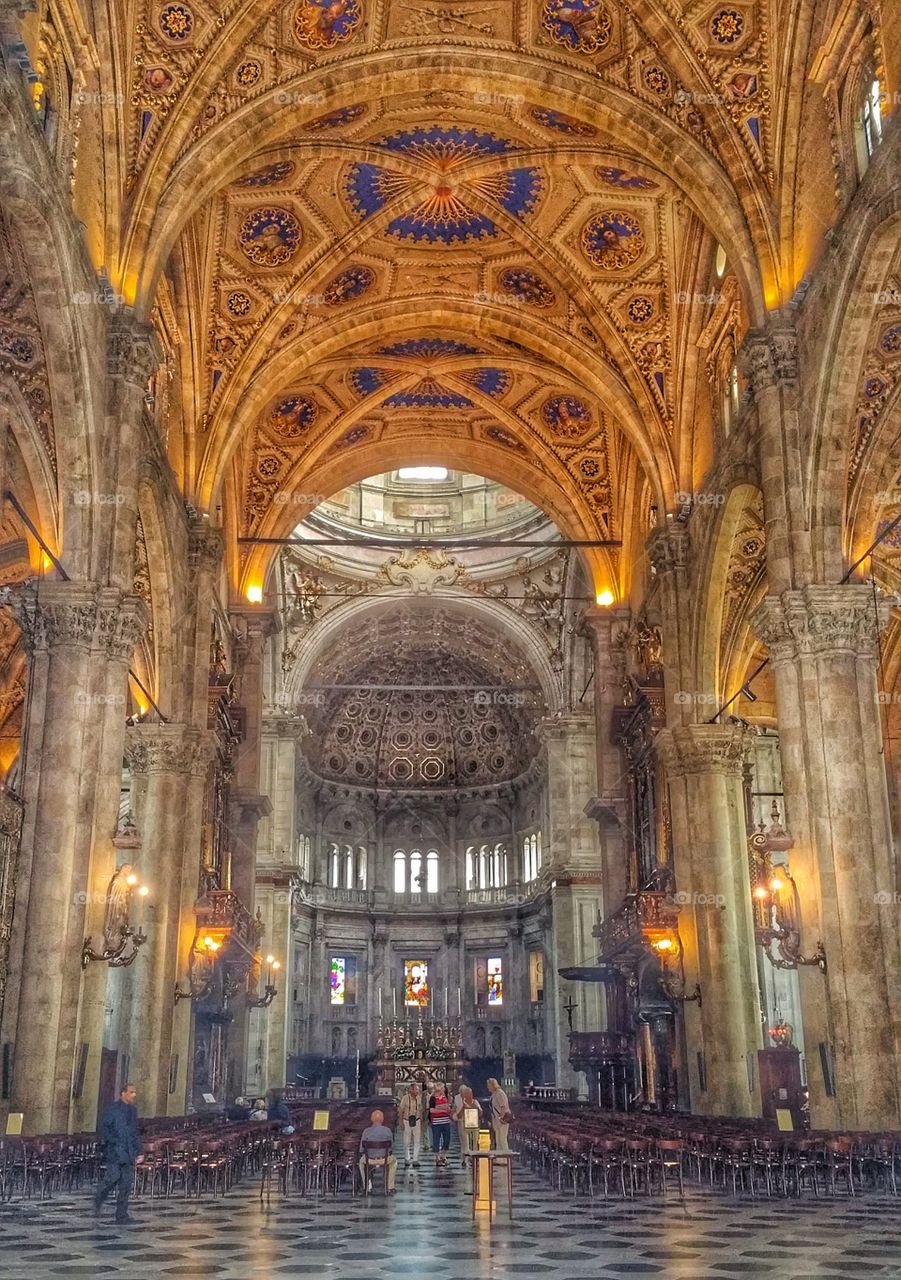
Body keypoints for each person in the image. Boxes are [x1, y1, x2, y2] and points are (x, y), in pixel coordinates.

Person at [93, 1083, 141, 1225]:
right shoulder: (112, 1110)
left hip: (128, 1152)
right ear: (123, 1093)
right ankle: (99, 1198)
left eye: (135, 1092)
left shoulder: (133, 1111)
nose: (134, 1095)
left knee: (126, 1184)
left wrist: (138, 1151)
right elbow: (104, 1128)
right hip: (114, 1151)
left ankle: (122, 1215)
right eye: (131, 1092)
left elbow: (135, 1133)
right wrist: (113, 1141)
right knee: (112, 1178)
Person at [358, 1108, 397, 1194]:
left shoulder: (366, 1131)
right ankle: (390, 1187)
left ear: (371, 1119)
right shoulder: (387, 1130)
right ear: (382, 1119)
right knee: (394, 1162)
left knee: (361, 1163)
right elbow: (391, 1148)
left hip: (369, 1160)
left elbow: (361, 1149)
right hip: (384, 1159)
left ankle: (367, 1186)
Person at [452, 1084, 482, 1166]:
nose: (469, 1095)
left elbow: (480, 1113)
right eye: (467, 1094)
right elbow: (456, 1115)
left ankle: (475, 1158)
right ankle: (465, 1159)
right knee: (465, 1142)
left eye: (470, 1094)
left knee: (475, 1142)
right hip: (463, 1123)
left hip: (474, 1124)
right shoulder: (458, 1101)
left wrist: (476, 1107)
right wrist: (463, 1108)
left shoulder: (475, 1102)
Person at [428, 1081, 452, 1167]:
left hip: (446, 1121)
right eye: (443, 1088)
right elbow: (432, 1110)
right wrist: (442, 1110)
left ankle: (444, 1155)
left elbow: (448, 1108)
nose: (444, 1089)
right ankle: (437, 1158)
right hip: (436, 1122)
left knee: (447, 1139)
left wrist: (448, 1110)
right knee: (436, 1140)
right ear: (439, 1089)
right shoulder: (433, 1098)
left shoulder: (445, 1097)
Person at [398, 1083, 423, 1168]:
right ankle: (407, 1158)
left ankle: (415, 1159)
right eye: (416, 1089)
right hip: (407, 1120)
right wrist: (401, 1122)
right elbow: (401, 1111)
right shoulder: (405, 1098)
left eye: (418, 1089)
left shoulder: (419, 1098)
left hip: (417, 1120)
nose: (417, 1091)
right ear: (411, 1090)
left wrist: (421, 1122)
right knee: (406, 1141)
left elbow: (420, 1110)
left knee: (417, 1141)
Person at [487, 1077, 512, 1153]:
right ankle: (500, 1158)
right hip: (496, 1120)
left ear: (492, 1085)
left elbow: (503, 1106)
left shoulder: (500, 1093)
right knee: (498, 1139)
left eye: (488, 1085)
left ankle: (506, 1158)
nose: (488, 1087)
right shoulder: (494, 1094)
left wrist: (501, 1117)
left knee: (502, 1139)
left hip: (502, 1120)